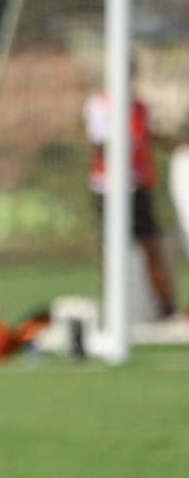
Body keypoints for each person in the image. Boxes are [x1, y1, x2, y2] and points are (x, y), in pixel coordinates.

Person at [83, 87, 179, 318]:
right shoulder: (99, 104)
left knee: (151, 246)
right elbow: (99, 143)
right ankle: (115, 308)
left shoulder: (141, 107)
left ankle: (166, 309)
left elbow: (151, 136)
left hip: (138, 186)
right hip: (108, 188)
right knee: (112, 248)